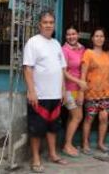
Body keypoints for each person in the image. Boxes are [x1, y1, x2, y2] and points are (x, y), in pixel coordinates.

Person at [23, 10, 68, 173]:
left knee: (53, 127)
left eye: (51, 22)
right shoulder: (33, 42)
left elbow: (62, 69)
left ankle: (53, 154)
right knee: (37, 129)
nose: (48, 25)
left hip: (55, 95)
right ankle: (35, 158)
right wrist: (31, 91)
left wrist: (63, 89)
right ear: (39, 25)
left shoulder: (56, 44)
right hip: (39, 95)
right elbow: (28, 69)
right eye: (45, 22)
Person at [81, 27, 109, 155]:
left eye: (101, 36)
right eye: (96, 36)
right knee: (89, 118)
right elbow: (83, 73)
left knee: (103, 118)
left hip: (106, 92)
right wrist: (82, 91)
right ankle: (85, 143)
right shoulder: (88, 53)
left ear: (104, 38)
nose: (99, 38)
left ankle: (101, 143)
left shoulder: (107, 54)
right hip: (91, 92)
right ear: (92, 38)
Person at [61, 25, 87, 157]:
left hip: (79, 89)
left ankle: (68, 143)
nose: (71, 37)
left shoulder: (82, 48)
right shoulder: (64, 50)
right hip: (69, 88)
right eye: (68, 34)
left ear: (78, 35)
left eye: (73, 34)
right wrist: (79, 82)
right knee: (78, 117)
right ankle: (67, 145)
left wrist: (81, 86)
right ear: (66, 36)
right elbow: (63, 72)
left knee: (72, 117)